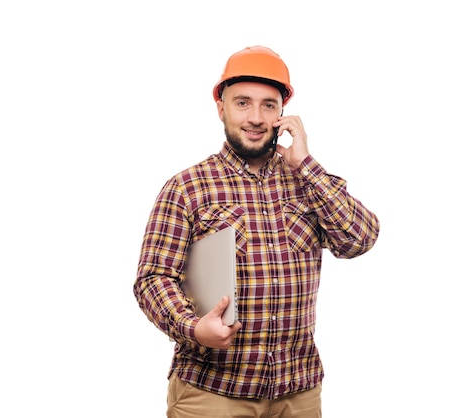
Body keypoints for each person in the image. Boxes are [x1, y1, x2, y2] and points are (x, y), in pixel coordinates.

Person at [133, 45, 380, 417]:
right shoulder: (187, 188)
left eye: (268, 105)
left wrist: (307, 166)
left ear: (283, 113)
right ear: (221, 108)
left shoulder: (308, 181)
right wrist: (193, 327)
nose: (256, 117)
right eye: (243, 103)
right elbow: (153, 279)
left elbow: (359, 238)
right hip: (213, 391)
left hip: (298, 392)